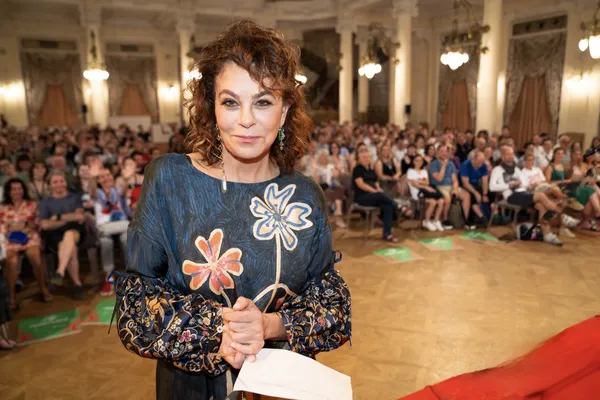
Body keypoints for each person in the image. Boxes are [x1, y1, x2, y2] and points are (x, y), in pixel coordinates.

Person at [112, 21, 351, 399]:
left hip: (280, 388)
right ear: (212, 107)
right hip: (192, 388)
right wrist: (219, 329)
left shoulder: (304, 196)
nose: (246, 119)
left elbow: (333, 307)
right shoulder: (170, 180)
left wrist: (270, 325)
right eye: (230, 102)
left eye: (263, 102)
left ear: (284, 111)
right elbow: (135, 304)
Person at [490, 147, 570, 246]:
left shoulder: (516, 169)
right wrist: (510, 185)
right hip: (512, 196)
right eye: (508, 154)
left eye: (512, 154)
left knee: (541, 206)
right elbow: (492, 187)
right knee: (541, 196)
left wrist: (521, 184)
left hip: (524, 193)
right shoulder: (497, 170)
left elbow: (525, 183)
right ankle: (562, 215)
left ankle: (547, 234)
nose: (511, 156)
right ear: (502, 156)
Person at [0, 178, 52, 310]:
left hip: (29, 236)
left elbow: (37, 222)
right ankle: (11, 296)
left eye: (20, 188)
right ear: (8, 191)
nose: (17, 191)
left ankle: (43, 288)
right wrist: (10, 229)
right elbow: (2, 226)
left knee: (35, 256)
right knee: (11, 261)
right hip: (10, 239)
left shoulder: (32, 204)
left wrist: (26, 227)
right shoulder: (2, 207)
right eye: (14, 189)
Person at [39, 171, 87, 300]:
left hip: (76, 231)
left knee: (69, 234)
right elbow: (44, 225)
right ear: (50, 185)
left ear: (65, 182)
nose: (59, 184)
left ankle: (60, 271)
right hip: (54, 235)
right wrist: (68, 219)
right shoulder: (45, 202)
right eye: (55, 182)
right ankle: (77, 284)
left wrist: (57, 217)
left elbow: (80, 217)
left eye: (61, 181)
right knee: (71, 248)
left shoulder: (74, 197)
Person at [88, 161, 130, 296]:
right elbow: (92, 192)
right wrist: (91, 177)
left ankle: (133, 275)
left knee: (126, 238)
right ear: (98, 181)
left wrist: (126, 179)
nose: (106, 178)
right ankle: (109, 278)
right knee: (106, 242)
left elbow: (124, 191)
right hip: (105, 227)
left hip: (120, 226)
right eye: (102, 177)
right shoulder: (97, 192)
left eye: (108, 175)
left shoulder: (117, 190)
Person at [352, 147, 412, 242]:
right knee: (380, 195)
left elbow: (376, 183)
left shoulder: (371, 170)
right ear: (359, 159)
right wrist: (374, 191)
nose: (366, 159)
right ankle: (399, 207)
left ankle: (387, 234)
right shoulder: (357, 169)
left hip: (374, 196)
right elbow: (361, 184)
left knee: (388, 205)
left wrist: (378, 189)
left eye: (368, 157)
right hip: (362, 197)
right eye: (364, 157)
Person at [429, 145, 472, 229]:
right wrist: (444, 166)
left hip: (450, 186)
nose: (444, 153)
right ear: (437, 153)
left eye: (445, 151)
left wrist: (455, 189)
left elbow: (455, 180)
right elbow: (439, 179)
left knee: (466, 195)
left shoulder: (451, 164)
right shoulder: (433, 164)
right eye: (441, 151)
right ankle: (445, 220)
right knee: (447, 197)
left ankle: (465, 220)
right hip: (439, 186)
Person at [407, 154, 444, 231]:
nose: (419, 162)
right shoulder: (410, 171)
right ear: (413, 162)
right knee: (433, 202)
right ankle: (426, 221)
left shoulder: (424, 171)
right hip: (417, 193)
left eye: (420, 160)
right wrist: (424, 185)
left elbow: (427, 182)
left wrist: (418, 180)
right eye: (417, 160)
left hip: (427, 192)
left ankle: (436, 220)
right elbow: (415, 184)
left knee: (441, 201)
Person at [459, 151, 489, 225]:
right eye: (479, 163)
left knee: (486, 195)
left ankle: (485, 217)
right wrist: (476, 193)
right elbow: (465, 183)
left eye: (482, 162)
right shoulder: (465, 165)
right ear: (473, 159)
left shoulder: (483, 165)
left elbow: (485, 181)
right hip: (465, 185)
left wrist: (485, 194)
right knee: (473, 196)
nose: (480, 165)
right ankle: (480, 217)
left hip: (476, 184)